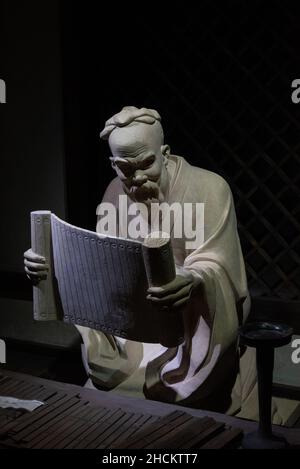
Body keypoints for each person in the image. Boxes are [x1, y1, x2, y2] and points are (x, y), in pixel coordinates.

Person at [24, 106, 298, 421]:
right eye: (125, 168)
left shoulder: (210, 188)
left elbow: (220, 265)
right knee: (108, 363)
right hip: (132, 323)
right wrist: (52, 268)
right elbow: (102, 265)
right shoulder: (114, 192)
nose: (137, 178)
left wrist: (194, 281)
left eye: (147, 164)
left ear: (164, 153)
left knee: (190, 376)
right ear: (113, 165)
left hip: (191, 325)